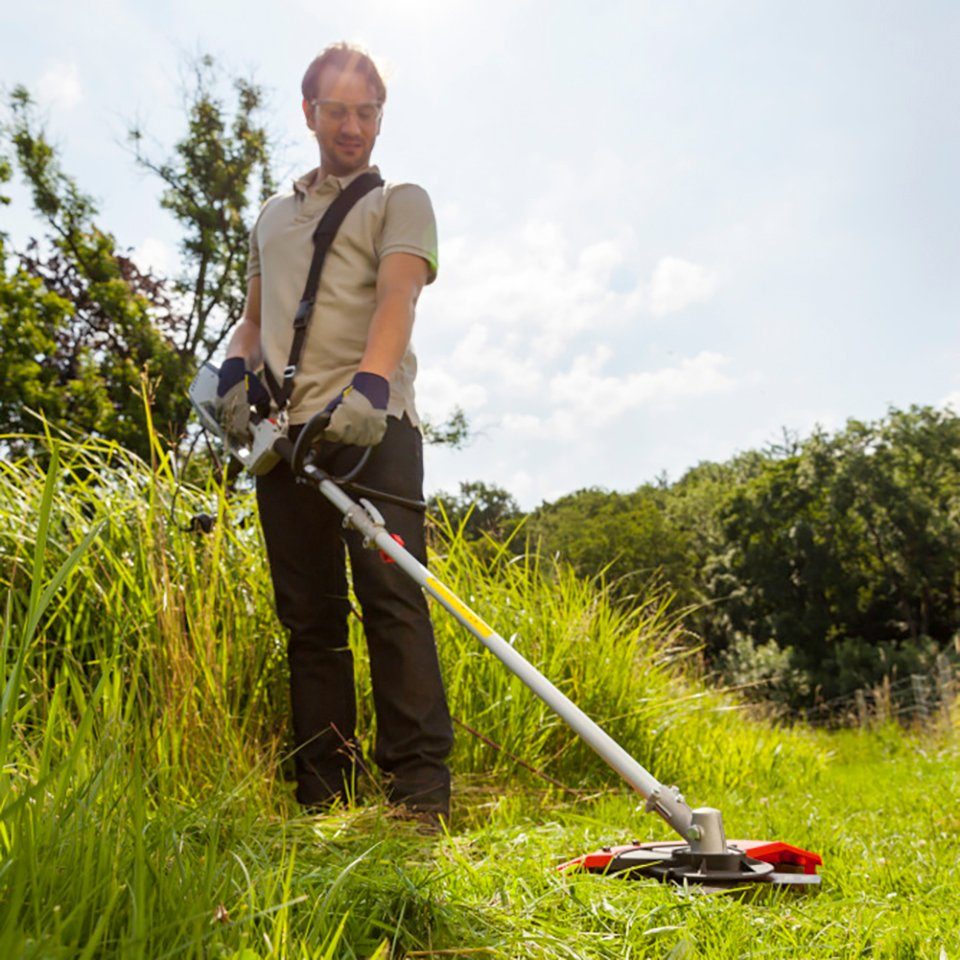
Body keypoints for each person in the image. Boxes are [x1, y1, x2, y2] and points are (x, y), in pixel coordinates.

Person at [216, 42, 453, 826]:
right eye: (338, 111)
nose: (353, 127)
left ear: (380, 117)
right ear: (309, 113)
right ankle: (324, 796)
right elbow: (251, 323)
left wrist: (371, 387)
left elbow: (397, 299)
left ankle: (418, 796)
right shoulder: (271, 219)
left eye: (367, 112)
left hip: (372, 428)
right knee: (310, 623)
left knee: (393, 600)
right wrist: (230, 374)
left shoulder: (402, 200)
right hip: (288, 443)